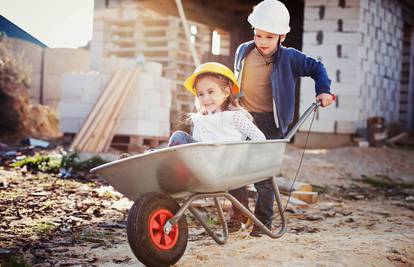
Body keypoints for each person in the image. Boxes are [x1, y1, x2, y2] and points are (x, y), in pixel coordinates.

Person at [229, 0, 335, 237]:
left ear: (282, 36)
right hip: (242, 117)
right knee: (234, 169)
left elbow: (317, 68)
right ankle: (239, 214)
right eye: (258, 35)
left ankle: (263, 223)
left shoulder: (290, 58)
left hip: (271, 122)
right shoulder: (243, 51)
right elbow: (233, 81)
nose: (262, 42)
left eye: (269, 37)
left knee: (263, 176)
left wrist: (324, 90)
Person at [168, 62, 266, 147]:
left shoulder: (234, 117)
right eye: (200, 94)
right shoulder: (199, 120)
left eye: (211, 92)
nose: (205, 99)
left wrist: (245, 157)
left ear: (226, 92)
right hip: (205, 161)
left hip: (229, 159)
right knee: (179, 136)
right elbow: (197, 148)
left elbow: (259, 138)